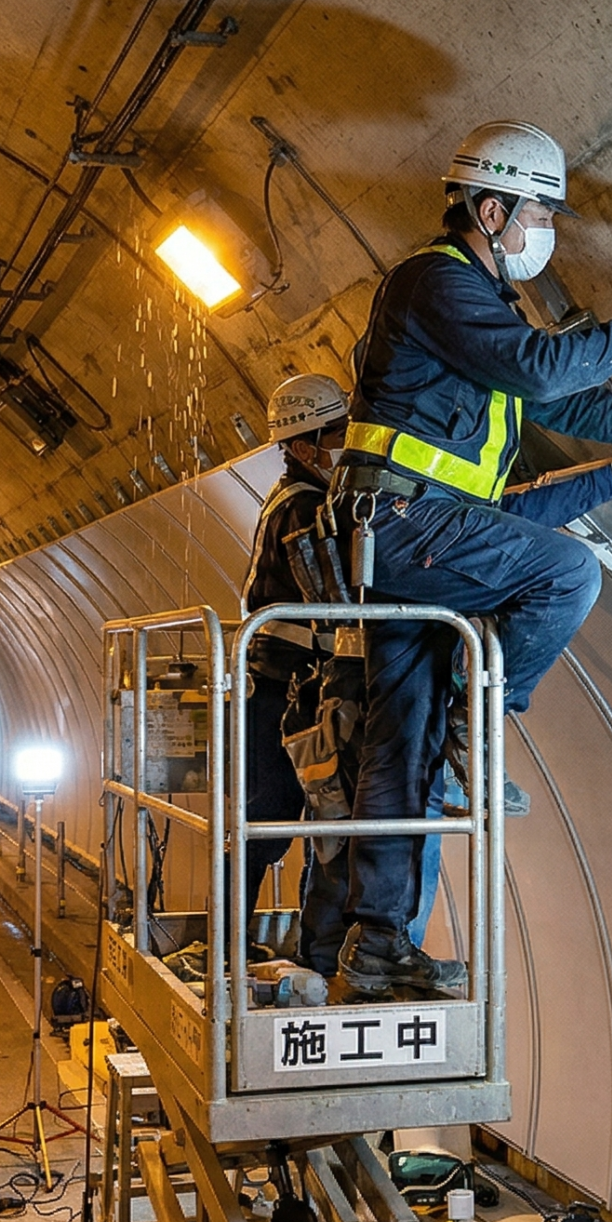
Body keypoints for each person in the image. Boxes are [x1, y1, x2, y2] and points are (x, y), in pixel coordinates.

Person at [330, 120, 612, 1002]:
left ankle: (377, 950)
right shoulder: (433, 282)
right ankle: (480, 735)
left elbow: (562, 390)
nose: (544, 230)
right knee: (564, 572)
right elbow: (544, 372)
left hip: (409, 535)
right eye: (539, 213)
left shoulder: (481, 307)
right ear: (490, 208)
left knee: (404, 751)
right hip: (400, 522)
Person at [241, 372, 356, 975]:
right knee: (273, 818)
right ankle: (245, 945)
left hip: (284, 688)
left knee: (301, 817)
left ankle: (311, 949)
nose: (345, 443)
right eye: (336, 434)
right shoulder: (304, 509)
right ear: (304, 444)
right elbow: (337, 596)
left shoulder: (297, 498)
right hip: (282, 692)